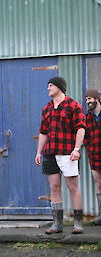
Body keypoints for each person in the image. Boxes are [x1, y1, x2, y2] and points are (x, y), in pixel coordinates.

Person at [35, 76, 86, 234]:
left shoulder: (73, 105)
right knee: (54, 187)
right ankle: (57, 224)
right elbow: (43, 132)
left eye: (51, 85)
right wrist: (38, 152)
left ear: (59, 87)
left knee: (73, 187)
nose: (48, 88)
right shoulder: (47, 108)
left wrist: (76, 149)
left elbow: (81, 128)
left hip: (68, 153)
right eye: (48, 85)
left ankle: (78, 223)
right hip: (50, 152)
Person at [84, 89, 101, 225]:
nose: (88, 102)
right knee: (99, 184)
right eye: (86, 99)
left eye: (90, 98)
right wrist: (89, 146)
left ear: (97, 99)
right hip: (94, 155)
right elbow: (85, 137)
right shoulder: (87, 118)